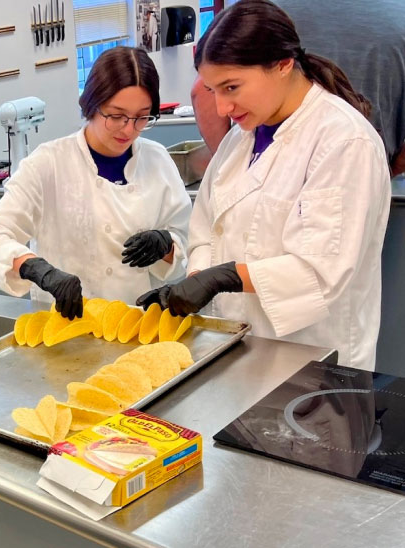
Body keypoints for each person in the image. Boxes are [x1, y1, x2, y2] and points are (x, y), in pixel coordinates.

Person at [137, 0, 391, 371]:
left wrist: (223, 276)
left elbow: (322, 271)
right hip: (236, 347)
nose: (222, 108)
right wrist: (195, 281)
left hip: (313, 359)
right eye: (212, 90)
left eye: (231, 87)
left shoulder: (343, 142)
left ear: (283, 64)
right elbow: (207, 226)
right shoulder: (240, 139)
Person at [0, 47, 192, 320]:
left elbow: (186, 242)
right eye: (116, 115)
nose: (128, 129)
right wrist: (35, 268)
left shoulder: (157, 160)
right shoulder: (49, 163)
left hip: (139, 325)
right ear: (91, 104)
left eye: (141, 117)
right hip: (67, 327)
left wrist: (166, 245)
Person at [272, 0, 405, 176]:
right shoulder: (398, 14)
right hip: (365, 175)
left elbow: (226, 99)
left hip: (270, 175)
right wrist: (387, 171)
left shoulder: (263, 10)